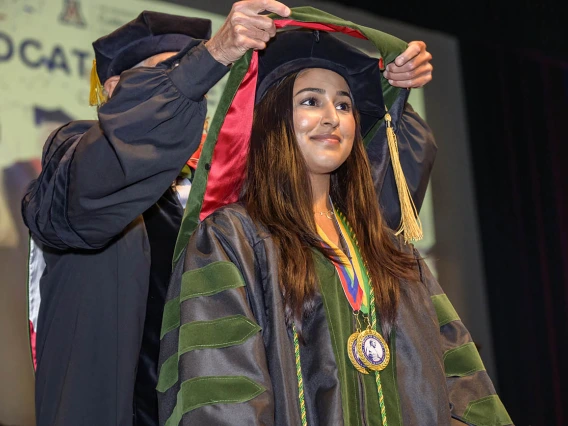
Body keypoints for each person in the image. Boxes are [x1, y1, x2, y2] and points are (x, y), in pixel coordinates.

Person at [22, 3, 436, 426]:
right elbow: (96, 185)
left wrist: (385, 94)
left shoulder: (232, 191)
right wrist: (212, 56)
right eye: (168, 76)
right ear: (112, 90)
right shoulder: (76, 162)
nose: (190, 92)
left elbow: (363, 213)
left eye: (198, 81)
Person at [157, 21, 512, 426]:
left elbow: (460, 378)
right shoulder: (233, 238)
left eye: (344, 105)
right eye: (311, 101)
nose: (331, 117)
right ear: (273, 120)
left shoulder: (394, 252)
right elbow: (223, 391)